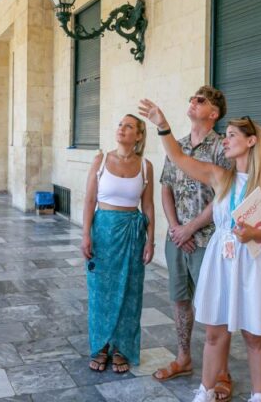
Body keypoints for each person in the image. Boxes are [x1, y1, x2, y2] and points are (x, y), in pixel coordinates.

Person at [138, 100, 261, 402]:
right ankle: (205, 391)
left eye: (233, 135)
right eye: (226, 135)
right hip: (221, 260)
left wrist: (255, 233)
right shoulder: (222, 177)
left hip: (252, 263)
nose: (226, 139)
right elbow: (178, 157)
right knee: (214, 333)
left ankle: (258, 397)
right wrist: (162, 125)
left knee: (253, 335)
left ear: (251, 141)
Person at [152, 86, 234, 401]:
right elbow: (166, 188)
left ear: (213, 113)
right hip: (177, 239)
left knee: (216, 308)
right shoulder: (178, 146)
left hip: (208, 240)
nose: (192, 102)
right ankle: (184, 358)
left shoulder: (221, 147)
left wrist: (191, 229)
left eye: (200, 100)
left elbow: (223, 197)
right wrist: (175, 228)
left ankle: (222, 372)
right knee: (180, 300)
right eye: (191, 98)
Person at [81, 114, 155, 374]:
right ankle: (101, 346)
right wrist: (86, 235)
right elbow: (89, 200)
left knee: (130, 292)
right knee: (101, 290)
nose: (122, 129)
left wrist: (151, 240)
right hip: (103, 230)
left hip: (132, 234)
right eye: (120, 124)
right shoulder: (101, 160)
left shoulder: (146, 166)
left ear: (139, 135)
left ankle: (122, 347)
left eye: (129, 126)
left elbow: (148, 206)